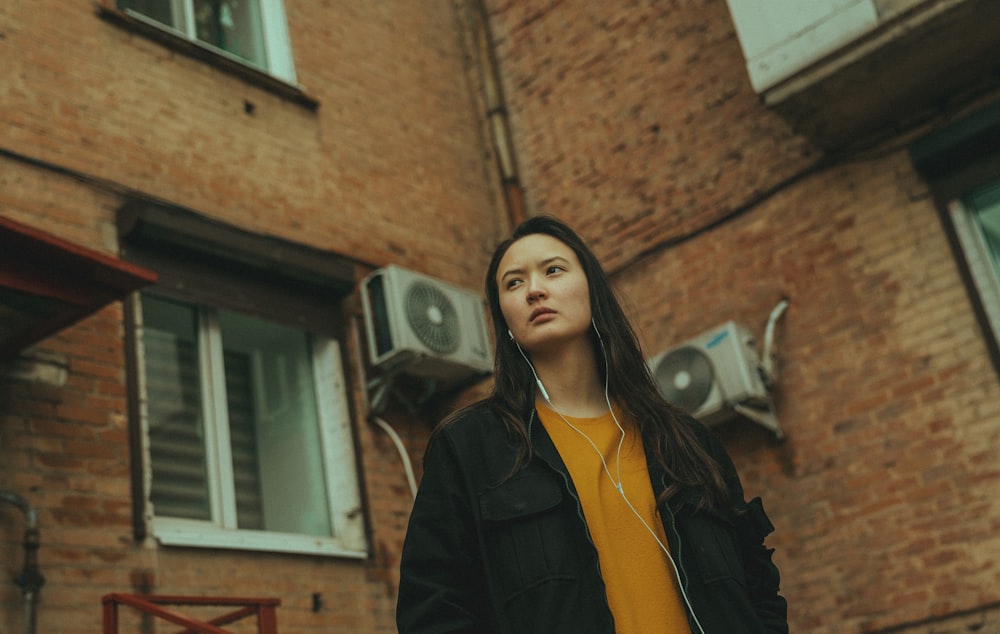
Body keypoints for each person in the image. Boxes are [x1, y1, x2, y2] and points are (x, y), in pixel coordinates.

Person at [396, 215, 787, 634]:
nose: (535, 290)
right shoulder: (471, 447)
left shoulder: (687, 441)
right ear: (504, 323)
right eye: (513, 283)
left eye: (553, 270)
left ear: (592, 292)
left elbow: (758, 586)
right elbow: (433, 611)